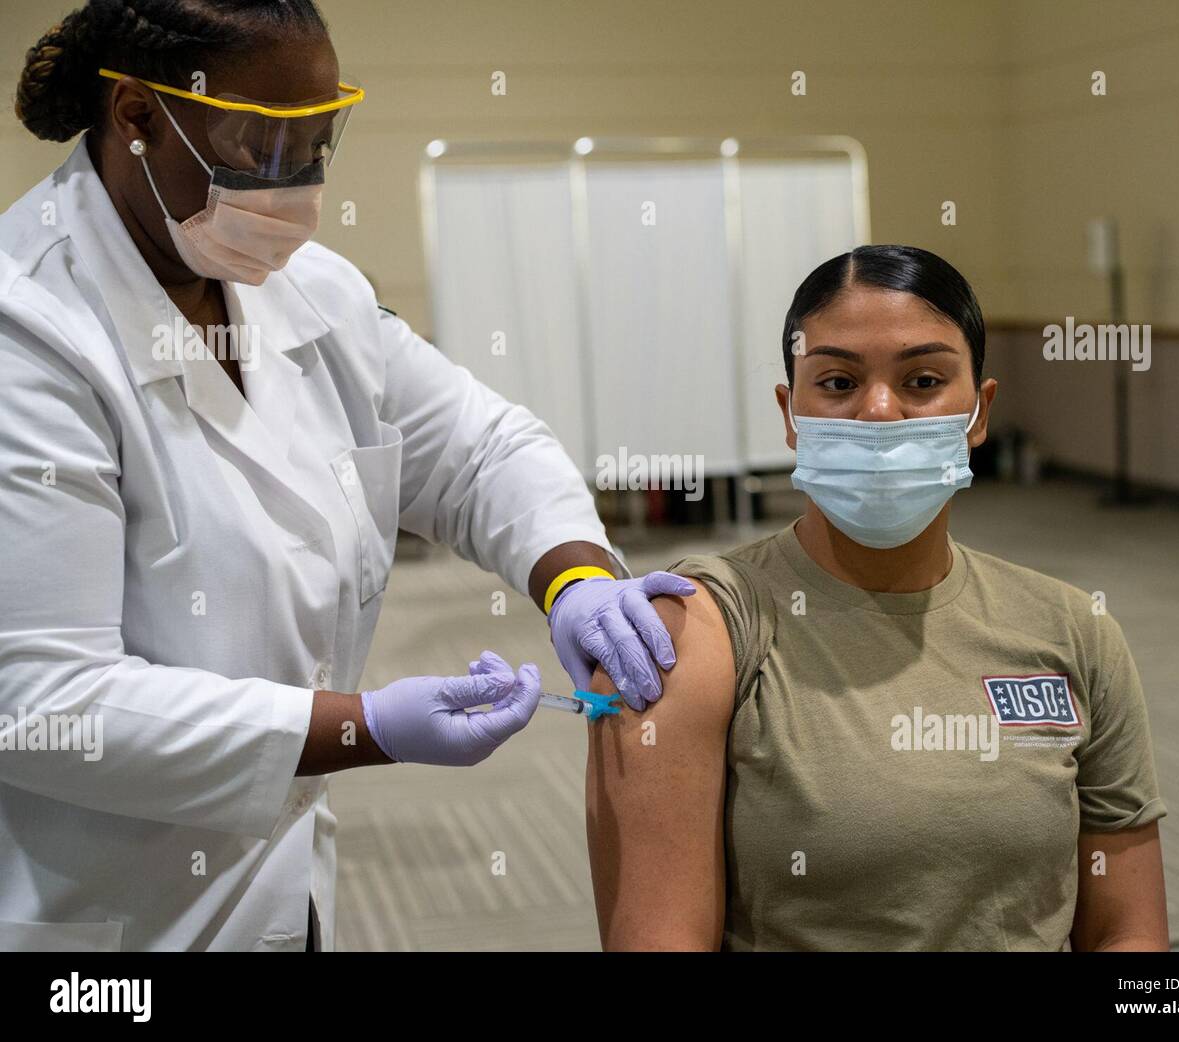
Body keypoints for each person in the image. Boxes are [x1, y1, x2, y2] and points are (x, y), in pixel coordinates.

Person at [0, 0, 692, 952]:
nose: (293, 186)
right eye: (258, 145)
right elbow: (43, 701)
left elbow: (480, 449)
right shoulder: (29, 329)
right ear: (136, 113)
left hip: (281, 883)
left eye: (317, 145)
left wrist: (574, 576)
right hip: (107, 917)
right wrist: (366, 727)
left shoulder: (308, 289)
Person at [585, 245, 1170, 951]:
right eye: (837, 382)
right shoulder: (693, 631)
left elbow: (1128, 934)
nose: (881, 413)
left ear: (979, 413)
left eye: (923, 380)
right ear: (791, 414)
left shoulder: (1074, 631)